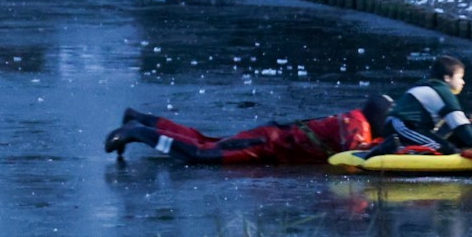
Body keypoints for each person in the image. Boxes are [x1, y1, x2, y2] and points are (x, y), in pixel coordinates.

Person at [104, 94, 394, 162]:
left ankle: (141, 118)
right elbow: (357, 158)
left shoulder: (358, 119)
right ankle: (138, 132)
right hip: (268, 144)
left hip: (271, 138)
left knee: (204, 140)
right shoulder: (357, 125)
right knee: (201, 154)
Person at [371, 55, 472, 156]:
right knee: (443, 148)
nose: (463, 82)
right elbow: (460, 124)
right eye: (460, 78)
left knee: (447, 146)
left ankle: (403, 146)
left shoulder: (430, 86)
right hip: (402, 126)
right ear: (447, 78)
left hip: (411, 127)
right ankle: (393, 147)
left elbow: (455, 123)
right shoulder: (443, 92)